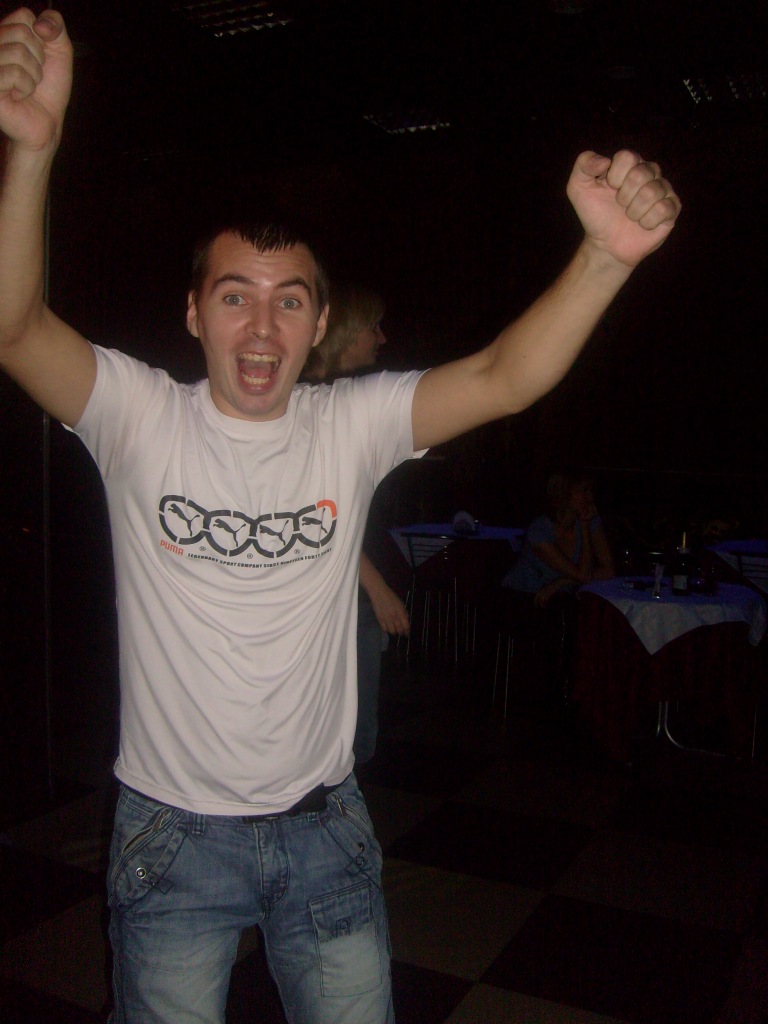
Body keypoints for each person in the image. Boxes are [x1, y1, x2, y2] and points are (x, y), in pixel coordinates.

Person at [0, 9, 681, 1024]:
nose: (261, 327)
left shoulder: (348, 424)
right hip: (172, 835)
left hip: (323, 827)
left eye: (289, 301)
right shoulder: (139, 415)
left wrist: (608, 260)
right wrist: (32, 152)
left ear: (319, 322)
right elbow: (14, 328)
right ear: (194, 313)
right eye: (234, 296)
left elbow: (504, 375)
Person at [303, 283, 409, 766]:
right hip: (341, 594)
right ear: (345, 332)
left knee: (354, 734)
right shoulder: (312, 402)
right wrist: (376, 587)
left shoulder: (347, 399)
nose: (381, 338)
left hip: (352, 591)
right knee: (351, 738)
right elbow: (315, 513)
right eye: (373, 327)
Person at [503, 469, 616, 607]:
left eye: (590, 491)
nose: (590, 497)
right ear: (564, 495)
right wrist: (585, 526)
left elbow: (608, 571)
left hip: (561, 596)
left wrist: (562, 581)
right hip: (525, 597)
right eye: (584, 491)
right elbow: (584, 576)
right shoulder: (539, 531)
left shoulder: (589, 521)